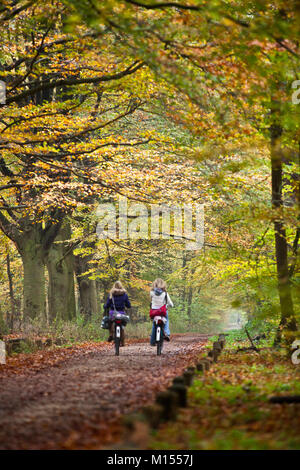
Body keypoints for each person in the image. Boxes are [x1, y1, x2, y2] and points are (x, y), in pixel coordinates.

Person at [150, 278, 173, 346]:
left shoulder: (151, 292)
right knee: (167, 320)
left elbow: (151, 301)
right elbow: (171, 303)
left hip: (154, 312)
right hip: (162, 312)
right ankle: (166, 333)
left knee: (154, 325)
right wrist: (168, 305)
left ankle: (152, 341)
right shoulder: (165, 293)